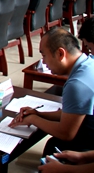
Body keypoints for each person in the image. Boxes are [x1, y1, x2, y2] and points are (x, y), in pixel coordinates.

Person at [9, 27, 94, 156]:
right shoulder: (89, 63)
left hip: (89, 145)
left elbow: (66, 133)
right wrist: (38, 114)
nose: (43, 62)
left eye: (44, 55)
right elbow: (72, 113)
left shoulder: (77, 84)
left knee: (53, 146)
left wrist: (33, 119)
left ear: (60, 54)